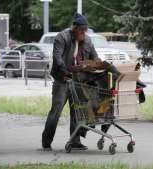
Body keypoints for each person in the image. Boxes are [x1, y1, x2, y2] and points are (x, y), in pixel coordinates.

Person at [42, 13, 98, 151]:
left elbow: (95, 58)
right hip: (63, 80)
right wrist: (66, 71)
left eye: (85, 29)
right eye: (81, 29)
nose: (83, 32)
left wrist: (97, 65)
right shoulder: (62, 37)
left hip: (79, 81)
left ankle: (75, 141)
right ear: (74, 28)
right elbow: (58, 57)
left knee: (77, 112)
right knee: (56, 111)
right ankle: (46, 141)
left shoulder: (88, 41)